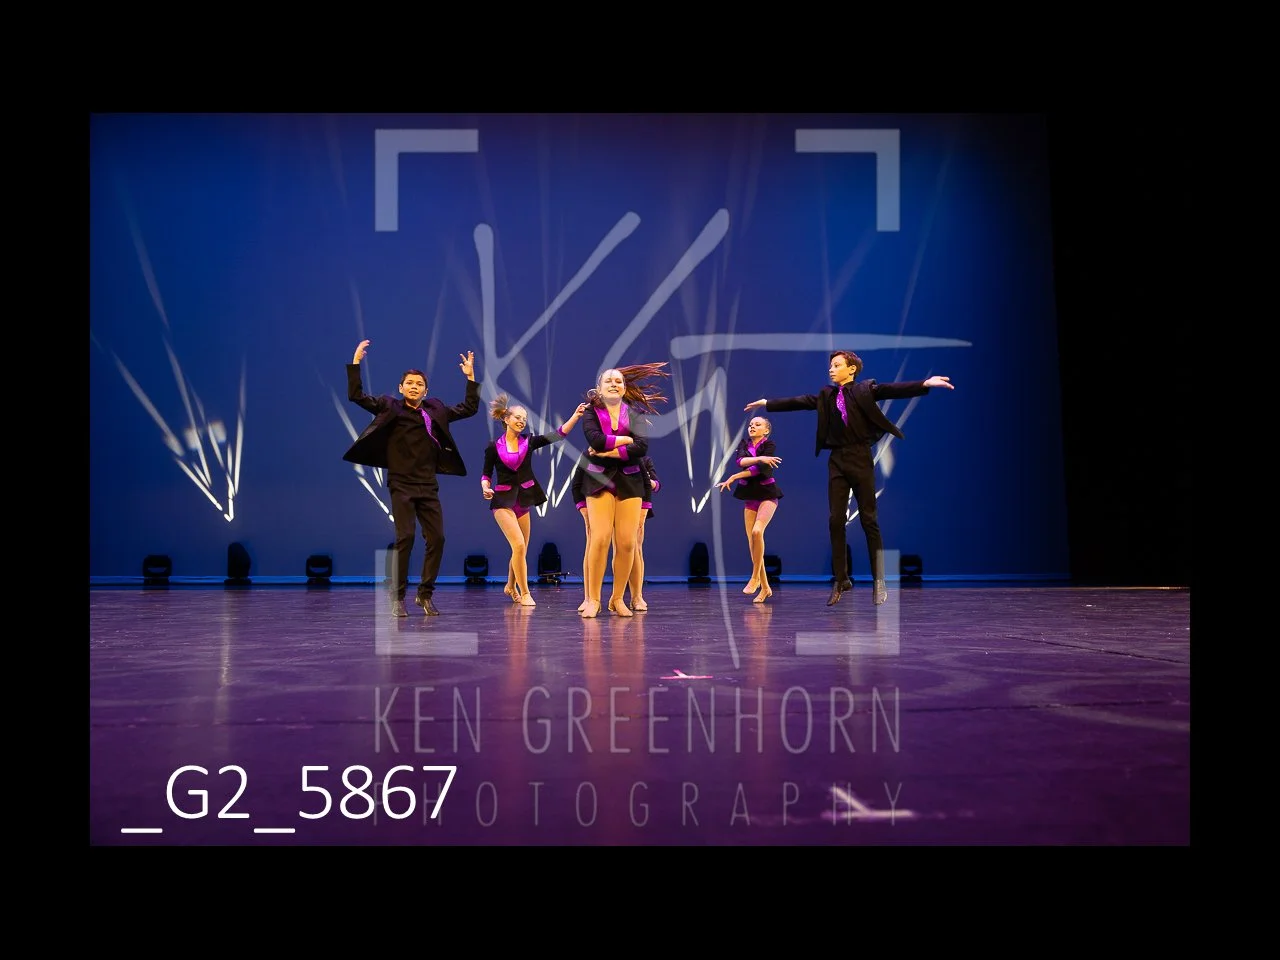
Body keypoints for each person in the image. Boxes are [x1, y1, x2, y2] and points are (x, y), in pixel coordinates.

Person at [745, 350, 954, 606]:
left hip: (860, 458)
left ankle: (879, 580)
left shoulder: (865, 390)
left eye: (836, 365)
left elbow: (891, 389)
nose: (831, 369)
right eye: (830, 365)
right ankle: (841, 579)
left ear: (851, 369)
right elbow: (800, 401)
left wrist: (924, 384)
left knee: (869, 519)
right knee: (835, 521)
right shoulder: (827, 395)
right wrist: (767, 403)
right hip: (837, 460)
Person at [344, 339, 479, 617]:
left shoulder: (435, 410)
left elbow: (469, 408)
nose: (414, 387)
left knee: (437, 539)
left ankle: (425, 595)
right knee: (405, 537)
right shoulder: (389, 406)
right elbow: (357, 396)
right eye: (409, 383)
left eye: (419, 384)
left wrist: (470, 377)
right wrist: (356, 363)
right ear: (401, 388)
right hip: (401, 484)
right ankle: (398, 596)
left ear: (426, 391)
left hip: (427, 485)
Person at [578, 363, 669, 618]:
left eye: (618, 381)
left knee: (628, 543)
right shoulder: (591, 413)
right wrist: (626, 440)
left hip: (630, 480)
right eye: (608, 381)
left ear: (624, 388)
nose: (614, 384)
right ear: (599, 388)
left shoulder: (635, 414)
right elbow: (596, 440)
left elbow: (641, 447)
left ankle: (618, 598)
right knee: (600, 538)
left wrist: (610, 452)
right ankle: (594, 599)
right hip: (599, 479)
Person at [480, 396, 588, 607]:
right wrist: (485, 486)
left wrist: (576, 416)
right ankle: (525, 592)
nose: (522, 421)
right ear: (506, 419)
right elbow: (486, 474)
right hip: (502, 500)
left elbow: (557, 435)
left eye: (524, 418)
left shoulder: (528, 442)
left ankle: (510, 585)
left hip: (524, 499)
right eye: (518, 417)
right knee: (519, 545)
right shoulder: (494, 447)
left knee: (520, 549)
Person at [716, 416, 782, 603]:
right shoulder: (744, 444)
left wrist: (735, 476)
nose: (752, 426)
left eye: (758, 424)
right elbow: (741, 461)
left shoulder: (769, 445)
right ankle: (766, 588)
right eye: (751, 424)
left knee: (757, 532)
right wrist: (758, 459)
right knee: (752, 544)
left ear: (766, 430)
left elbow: (761, 469)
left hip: (767, 494)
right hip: (750, 497)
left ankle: (754, 578)